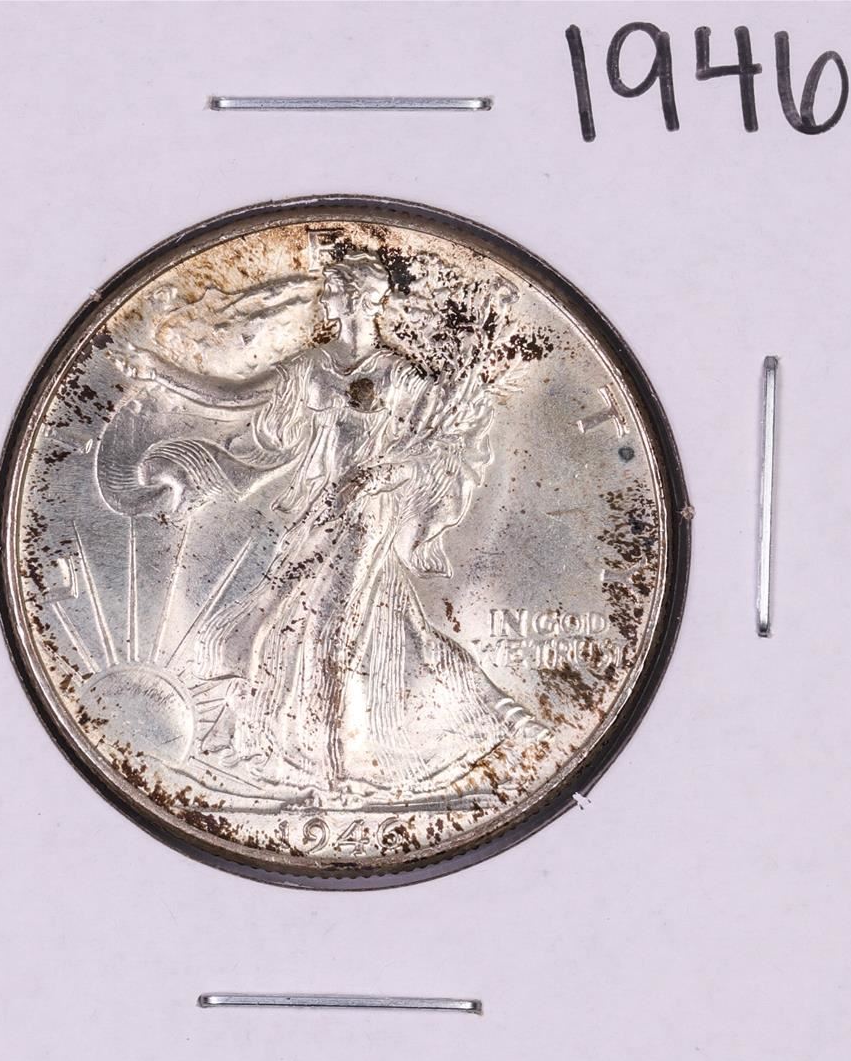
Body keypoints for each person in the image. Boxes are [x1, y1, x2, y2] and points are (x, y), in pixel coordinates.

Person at [112, 252, 547, 798]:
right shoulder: (311, 367)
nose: (326, 298)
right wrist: (160, 372)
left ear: (361, 299)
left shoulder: (401, 377)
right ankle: (296, 747)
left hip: (368, 517)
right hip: (320, 513)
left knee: (333, 629)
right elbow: (235, 397)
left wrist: (392, 470)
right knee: (284, 620)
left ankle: (336, 768)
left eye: (335, 290)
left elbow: (442, 446)